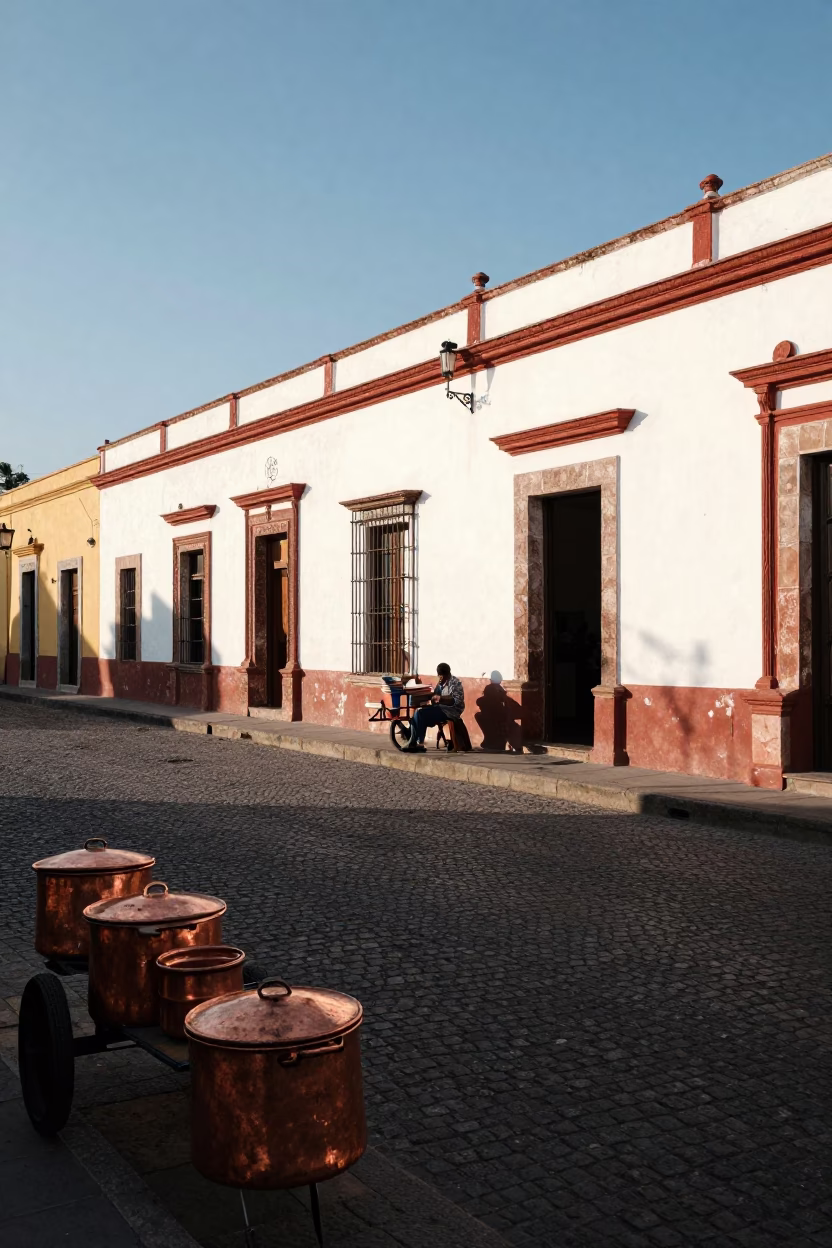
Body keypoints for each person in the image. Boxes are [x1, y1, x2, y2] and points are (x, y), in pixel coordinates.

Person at [403, 662, 464, 752]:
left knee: (420, 714)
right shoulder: (441, 683)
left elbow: (456, 701)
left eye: (440, 676)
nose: (439, 677)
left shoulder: (454, 683)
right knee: (418, 712)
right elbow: (435, 695)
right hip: (441, 708)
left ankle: (415, 742)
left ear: (444, 675)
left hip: (452, 710)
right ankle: (417, 742)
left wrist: (441, 698)